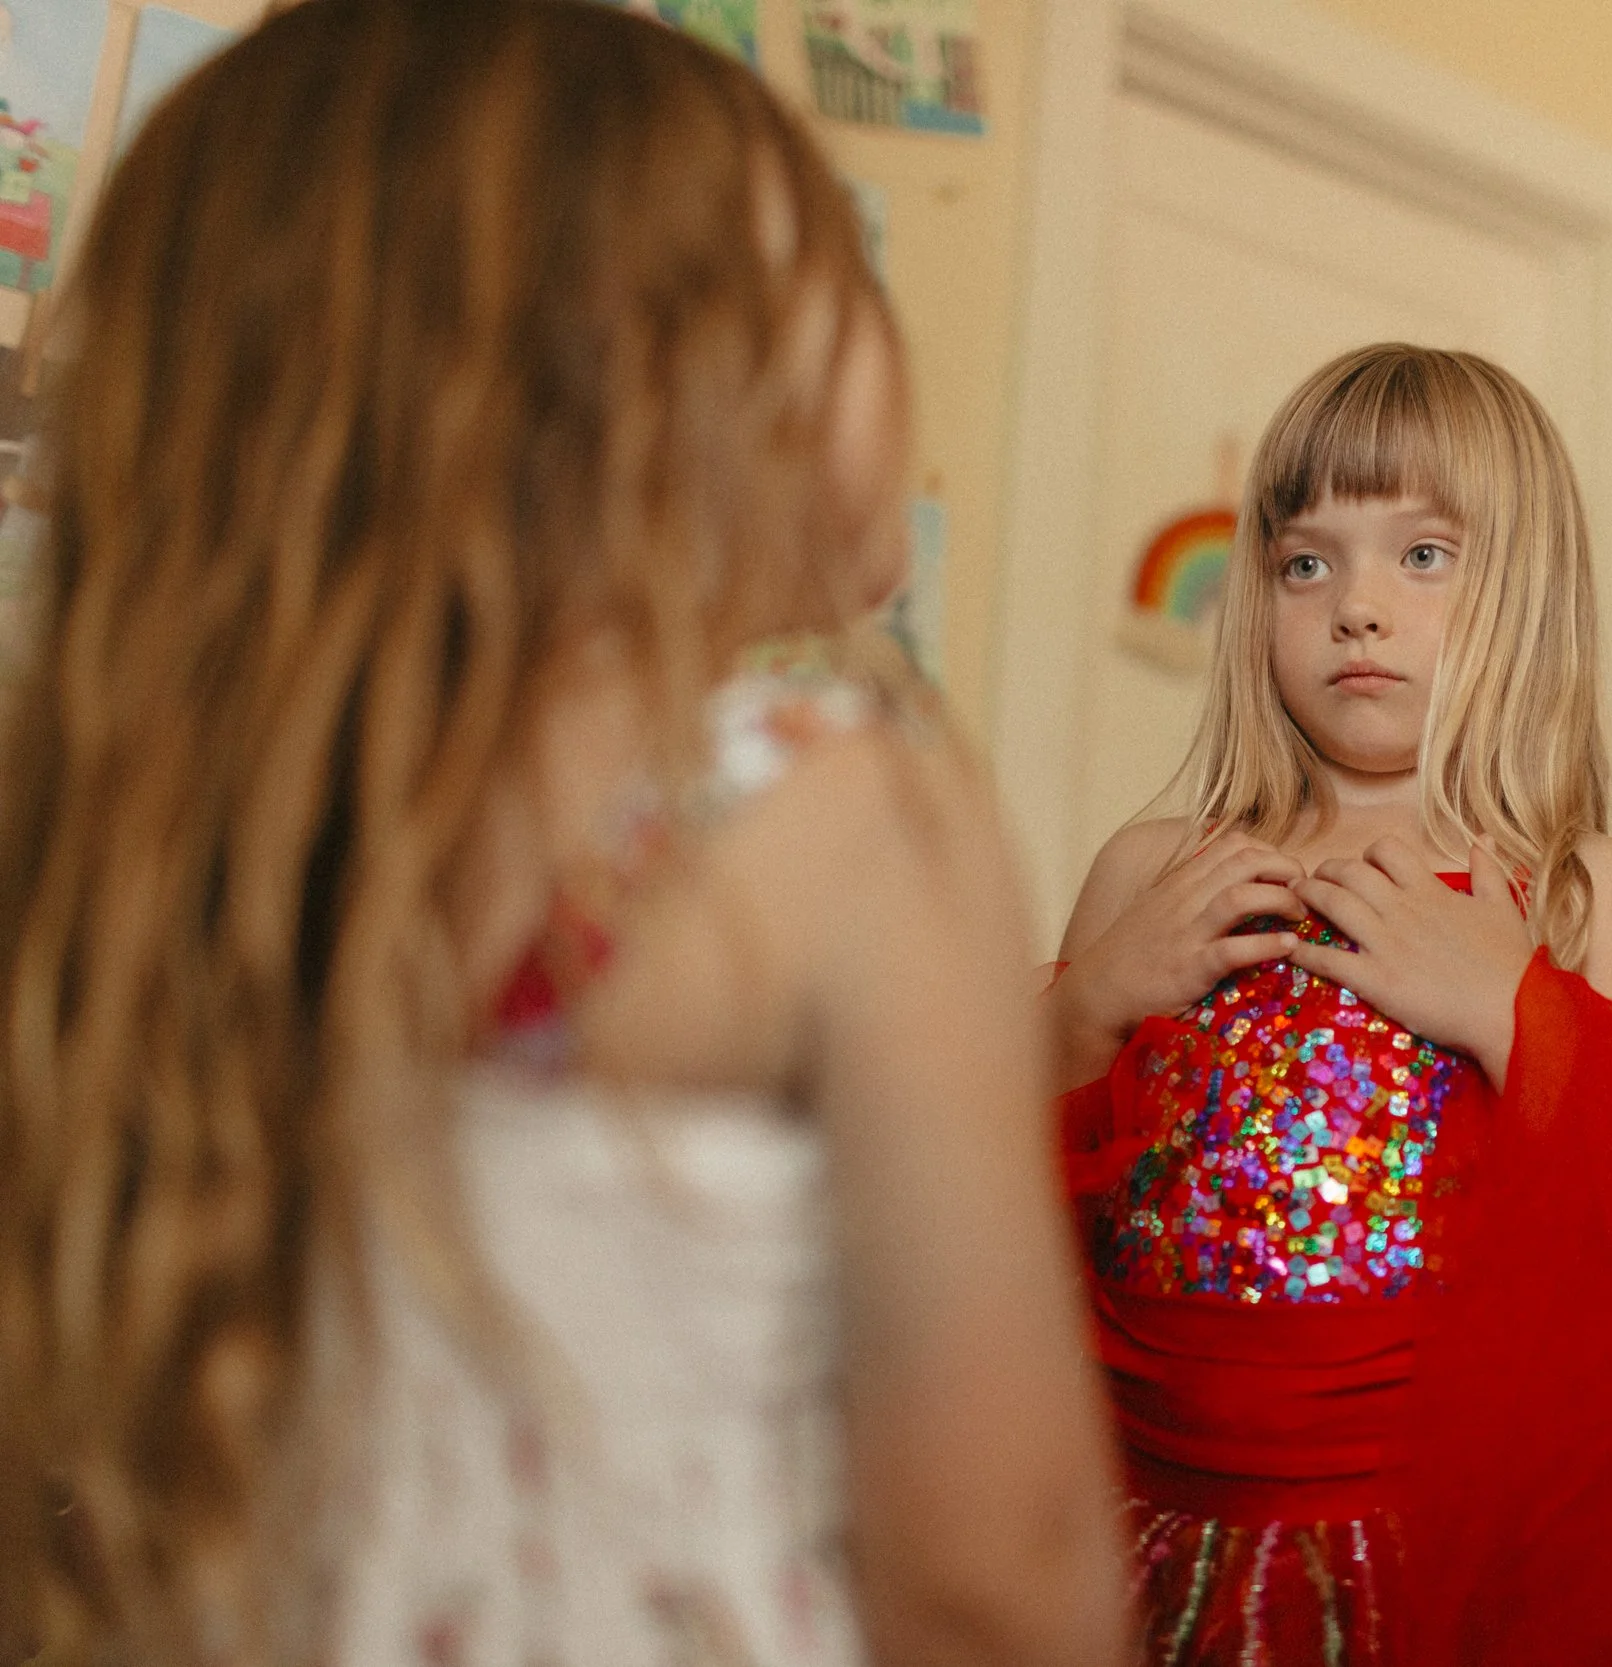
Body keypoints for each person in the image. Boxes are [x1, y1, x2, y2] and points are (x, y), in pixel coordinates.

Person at [0, 3, 1128, 1664]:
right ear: (674, 367)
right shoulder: (842, 803)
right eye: (847, 275)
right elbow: (998, 1565)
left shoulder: (150, 850)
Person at [1046, 343, 1612, 1665]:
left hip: (1482, 1571)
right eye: (1305, 562)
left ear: (1529, 589)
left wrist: (1517, 1011)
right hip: (1151, 1542)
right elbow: (992, 1229)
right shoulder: (1151, 872)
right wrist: (1088, 1011)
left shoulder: (1592, 897)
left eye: (1422, 555)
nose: (1356, 606)